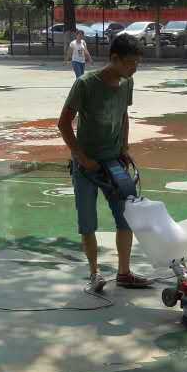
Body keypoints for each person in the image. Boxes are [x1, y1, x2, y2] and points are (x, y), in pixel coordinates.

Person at [58, 32, 153, 294]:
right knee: (87, 222)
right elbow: (63, 123)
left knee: (126, 218)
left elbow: (123, 115)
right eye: (131, 63)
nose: (135, 68)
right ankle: (94, 274)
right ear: (115, 58)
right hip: (87, 165)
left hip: (115, 162)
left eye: (138, 63)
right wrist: (82, 158)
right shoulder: (85, 84)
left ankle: (124, 273)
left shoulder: (127, 83)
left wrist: (124, 147)